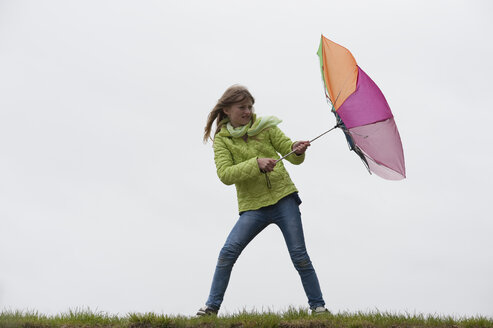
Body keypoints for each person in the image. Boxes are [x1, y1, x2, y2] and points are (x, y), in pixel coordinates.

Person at [197, 84, 328, 316]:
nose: (247, 111)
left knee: (299, 255)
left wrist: (296, 150)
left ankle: (318, 307)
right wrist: (256, 163)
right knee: (228, 252)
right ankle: (210, 308)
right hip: (252, 207)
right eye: (242, 107)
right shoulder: (222, 140)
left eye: (249, 106)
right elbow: (225, 174)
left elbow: (291, 154)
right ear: (227, 110)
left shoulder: (266, 127)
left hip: (284, 199)